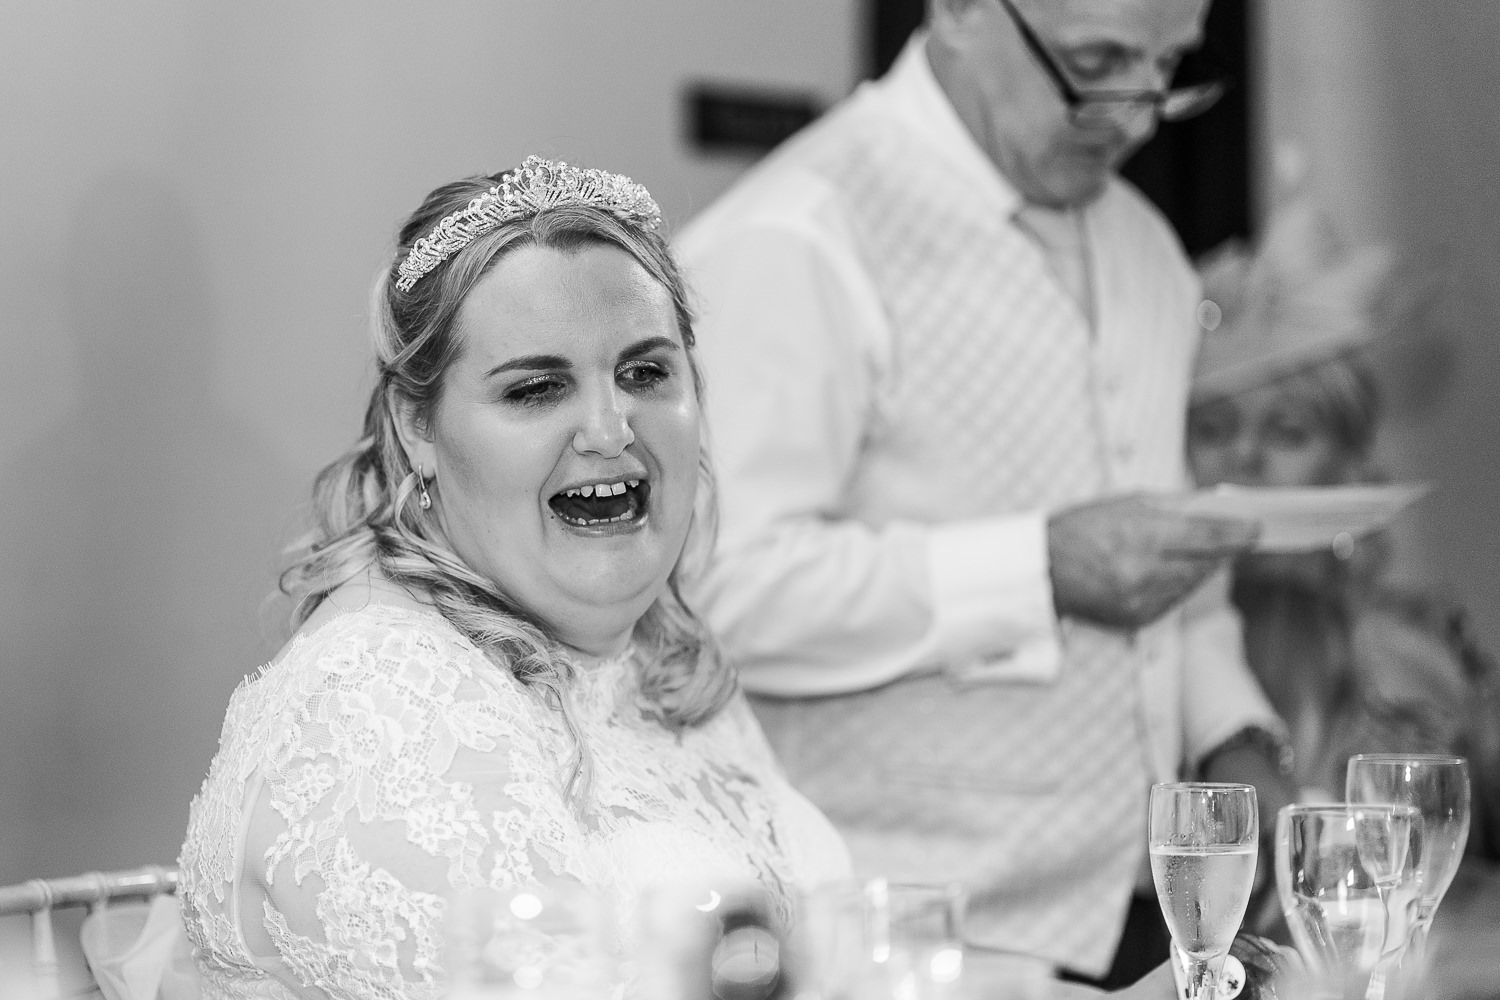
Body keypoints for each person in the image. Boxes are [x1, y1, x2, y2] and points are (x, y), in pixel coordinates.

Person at [173, 157, 1182, 1000]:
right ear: (417, 427)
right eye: (537, 388)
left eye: (646, 372)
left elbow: (841, 976)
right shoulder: (382, 704)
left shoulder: (658, 671)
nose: (610, 429)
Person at [674, 0, 1295, 986]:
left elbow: (1178, 565)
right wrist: (1037, 568)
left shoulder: (1148, 250)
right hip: (904, 942)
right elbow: (713, 588)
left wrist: (1235, 732)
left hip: (1148, 922)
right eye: (1096, 62)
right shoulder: (796, 232)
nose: (1134, 116)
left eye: (1168, 68)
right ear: (960, 9)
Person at [1186, 193, 1500, 962]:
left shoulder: (1406, 660)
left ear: (1352, 463)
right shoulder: (1145, 653)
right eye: (1214, 428)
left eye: (1287, 431)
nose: (1244, 458)